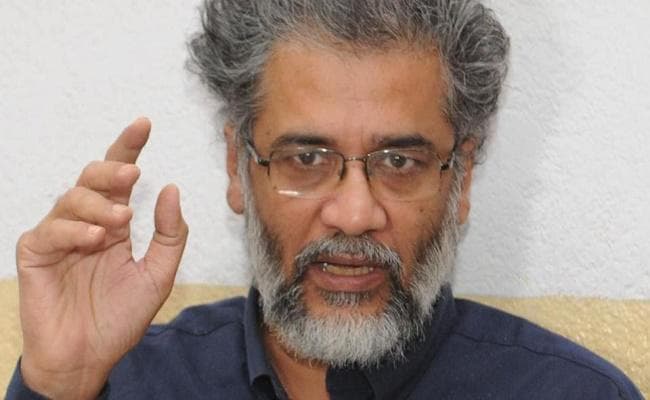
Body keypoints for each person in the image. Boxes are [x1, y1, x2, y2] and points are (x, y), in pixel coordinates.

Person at [6, 1, 643, 399]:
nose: (354, 214)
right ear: (237, 167)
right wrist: (58, 389)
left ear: (463, 180)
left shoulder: (571, 393)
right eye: (306, 159)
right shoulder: (129, 385)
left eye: (400, 161)